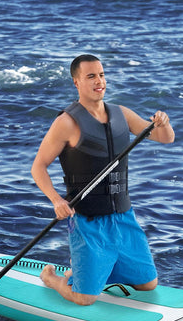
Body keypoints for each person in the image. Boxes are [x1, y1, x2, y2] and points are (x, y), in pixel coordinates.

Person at [31, 54, 175, 306]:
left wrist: (163, 122)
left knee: (147, 284)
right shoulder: (66, 122)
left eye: (101, 74)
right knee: (85, 298)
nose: (99, 81)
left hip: (123, 216)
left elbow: (165, 138)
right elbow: (38, 167)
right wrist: (56, 200)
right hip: (88, 221)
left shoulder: (122, 114)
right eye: (91, 76)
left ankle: (95, 270)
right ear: (76, 82)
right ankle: (52, 278)